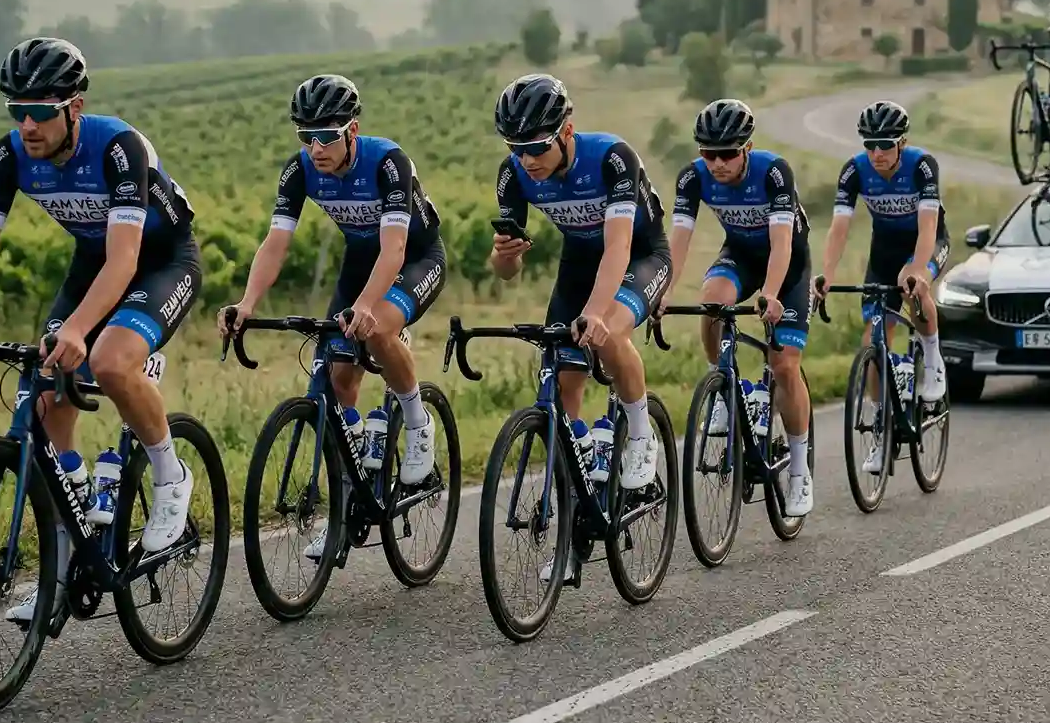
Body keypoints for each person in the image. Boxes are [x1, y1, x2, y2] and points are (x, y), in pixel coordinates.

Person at [0, 37, 202, 625]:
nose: (28, 124)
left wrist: (82, 330)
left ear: (75, 108)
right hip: (93, 261)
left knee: (109, 362)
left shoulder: (118, 148)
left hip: (159, 262)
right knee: (45, 400)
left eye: (41, 111)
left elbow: (126, 259)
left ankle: (171, 474)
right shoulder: (8, 157)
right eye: (17, 110)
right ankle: (66, 558)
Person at [219, 74, 446, 557]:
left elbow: (396, 246)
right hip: (360, 262)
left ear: (353, 130)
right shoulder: (299, 170)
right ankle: (352, 490)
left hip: (415, 259)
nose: (315, 147)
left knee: (380, 329)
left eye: (326, 136)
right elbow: (275, 244)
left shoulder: (388, 163)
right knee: (337, 367)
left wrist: (367, 306)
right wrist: (248, 303)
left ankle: (417, 422)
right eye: (306, 136)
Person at [488, 73, 671, 522]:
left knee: (607, 334)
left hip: (640, 255)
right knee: (562, 377)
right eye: (515, 148)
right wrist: (504, 256)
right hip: (579, 263)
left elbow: (619, 248)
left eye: (536, 147)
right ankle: (578, 493)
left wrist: (594, 314)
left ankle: (642, 436)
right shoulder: (513, 174)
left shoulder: (612, 158)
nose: (526, 159)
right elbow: (506, 273)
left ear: (567, 131)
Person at [663, 98, 814, 515]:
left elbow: (783, 243)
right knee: (711, 300)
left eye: (727, 154)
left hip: (788, 265)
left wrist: (771, 292)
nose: (717, 164)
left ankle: (800, 470)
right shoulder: (692, 178)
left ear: (747, 148)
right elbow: (679, 241)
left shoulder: (773, 172)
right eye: (707, 153)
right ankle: (726, 389)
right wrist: (663, 288)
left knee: (784, 365)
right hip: (742, 256)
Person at [812, 100, 949, 473]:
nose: (876, 153)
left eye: (885, 144)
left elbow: (927, 227)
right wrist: (827, 273)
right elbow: (839, 227)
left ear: (902, 143)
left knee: (914, 289)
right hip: (883, 253)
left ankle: (933, 358)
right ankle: (880, 430)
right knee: (873, 338)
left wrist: (919, 271)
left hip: (927, 242)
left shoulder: (922, 166)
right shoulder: (854, 171)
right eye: (869, 144)